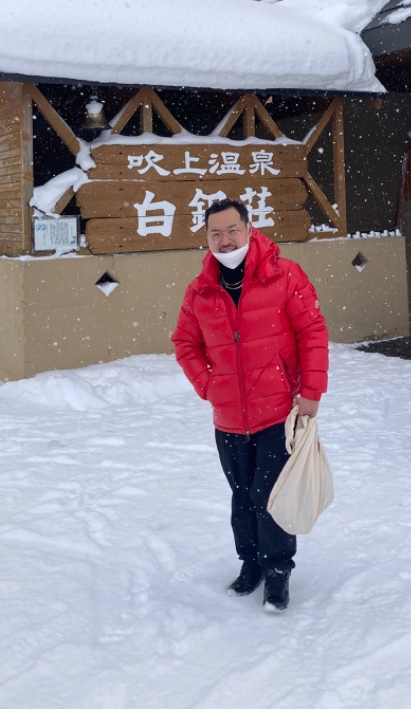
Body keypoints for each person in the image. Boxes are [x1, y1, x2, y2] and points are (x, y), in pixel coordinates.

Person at [172, 199, 328, 612]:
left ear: (249, 228)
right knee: (241, 495)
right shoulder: (201, 290)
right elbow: (184, 343)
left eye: (231, 231)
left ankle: (277, 571)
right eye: (215, 234)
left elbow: (313, 332)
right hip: (228, 418)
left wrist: (311, 393)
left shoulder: (284, 274)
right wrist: (209, 385)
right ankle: (251, 563)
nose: (224, 241)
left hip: (278, 411)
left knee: (269, 495)